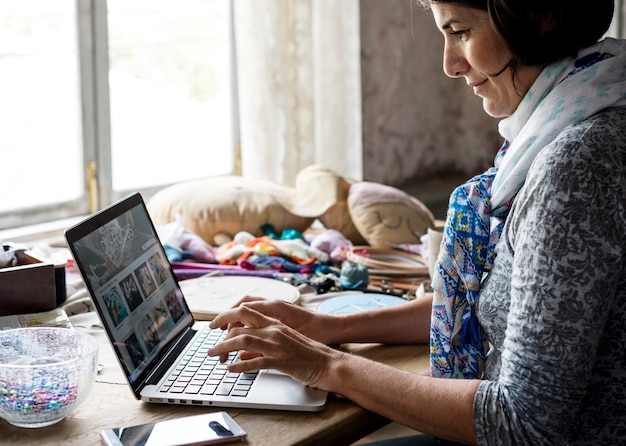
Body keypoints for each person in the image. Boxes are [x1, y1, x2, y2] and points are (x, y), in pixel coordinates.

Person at [207, 0, 626, 444]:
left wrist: (326, 364)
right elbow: (514, 306)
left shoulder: (578, 164)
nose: (448, 64)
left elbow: (522, 424)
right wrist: (330, 327)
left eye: (460, 31)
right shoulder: (582, 112)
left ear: (540, 17)